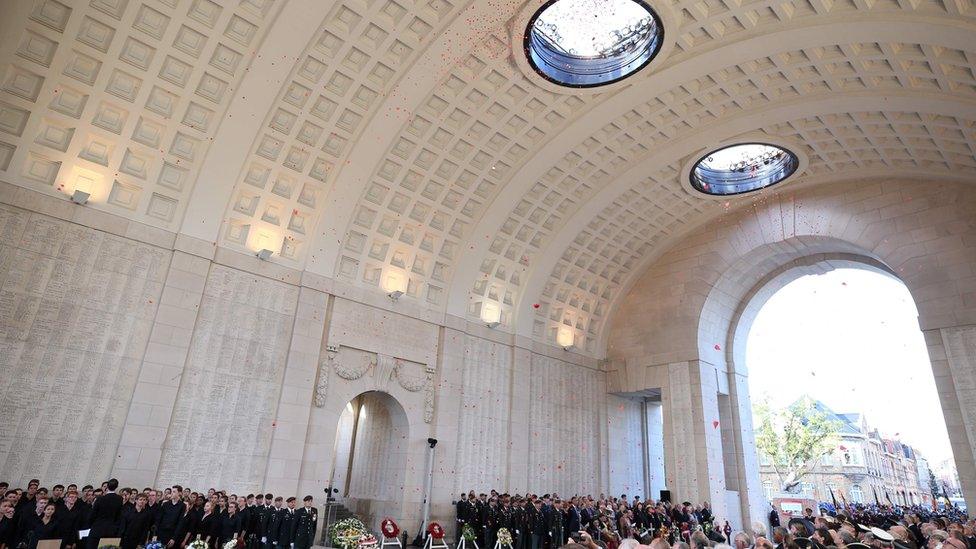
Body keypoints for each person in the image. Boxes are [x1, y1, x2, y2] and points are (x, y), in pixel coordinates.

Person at [88, 480, 122, 549]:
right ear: (117, 487)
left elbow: (93, 514)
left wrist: (90, 525)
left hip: (97, 528)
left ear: (107, 487)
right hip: (111, 530)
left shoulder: (100, 499)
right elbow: (118, 515)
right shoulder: (119, 499)